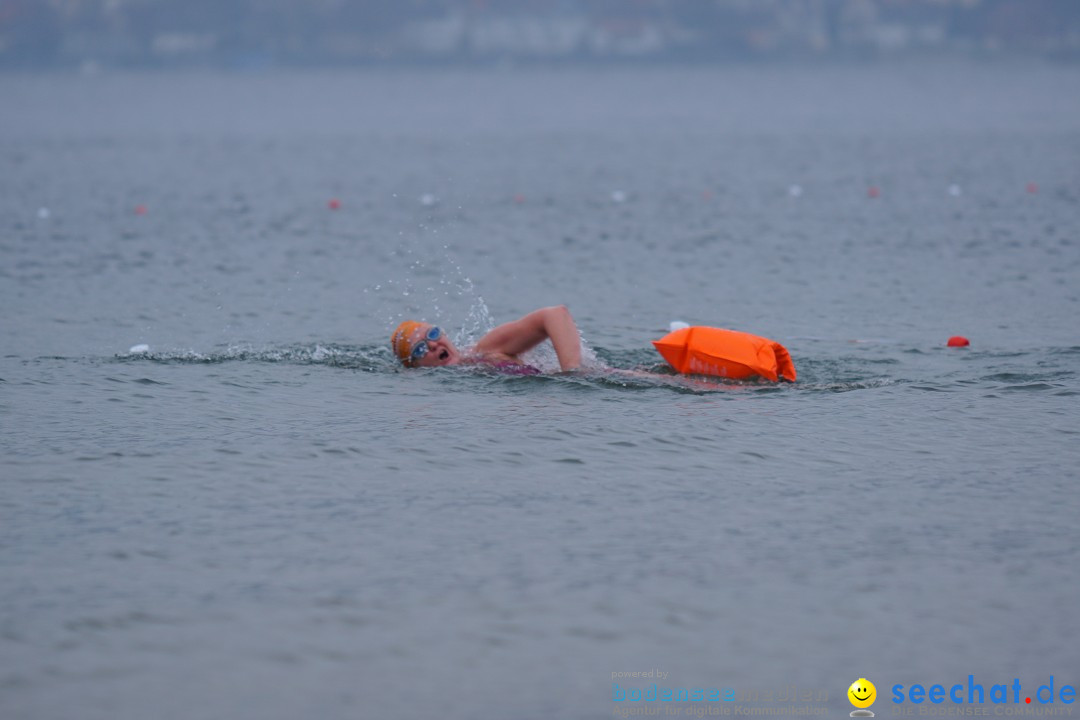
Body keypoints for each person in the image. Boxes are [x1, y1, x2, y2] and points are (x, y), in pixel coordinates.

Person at [391, 305, 582, 373]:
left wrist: (573, 373)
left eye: (433, 334)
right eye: (420, 349)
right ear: (415, 367)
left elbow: (555, 314)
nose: (433, 344)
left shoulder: (486, 349)